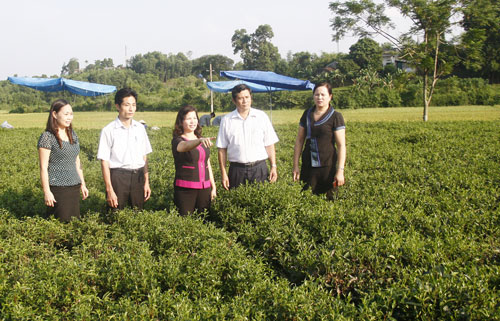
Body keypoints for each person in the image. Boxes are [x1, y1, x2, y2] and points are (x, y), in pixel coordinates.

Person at [97, 88, 152, 210]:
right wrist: (109, 189)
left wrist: (146, 181)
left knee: (138, 214)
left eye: (133, 105)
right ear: (118, 106)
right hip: (118, 177)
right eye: (127, 105)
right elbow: (104, 161)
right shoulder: (109, 130)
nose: (131, 109)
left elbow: (144, 156)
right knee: (115, 213)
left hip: (138, 176)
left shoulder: (140, 128)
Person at [216, 84, 279, 190]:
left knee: (260, 201)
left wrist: (273, 166)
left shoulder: (261, 116)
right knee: (236, 203)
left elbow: (269, 144)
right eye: (240, 98)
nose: (244, 101)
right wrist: (223, 173)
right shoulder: (227, 120)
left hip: (259, 168)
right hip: (237, 170)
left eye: (247, 97)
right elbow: (222, 149)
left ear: (251, 98)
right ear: (234, 100)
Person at [38, 99, 88, 222]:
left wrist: (83, 184)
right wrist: (47, 192)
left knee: (74, 223)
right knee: (61, 222)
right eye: (66, 114)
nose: (69, 117)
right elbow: (43, 167)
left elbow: (77, 161)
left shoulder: (72, 134)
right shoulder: (47, 137)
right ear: (54, 114)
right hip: (58, 188)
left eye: (71, 114)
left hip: (74, 186)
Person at [293, 82, 346, 197]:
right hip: (308, 166)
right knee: (306, 199)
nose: (320, 98)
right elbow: (299, 141)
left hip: (328, 167)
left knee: (328, 201)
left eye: (323, 94)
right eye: (317, 95)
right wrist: (296, 166)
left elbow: (341, 146)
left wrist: (340, 171)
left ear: (330, 96)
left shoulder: (336, 116)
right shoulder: (307, 114)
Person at [172, 105, 216, 215]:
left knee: (204, 219)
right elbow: (183, 146)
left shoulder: (201, 138)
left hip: (204, 187)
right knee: (185, 221)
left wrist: (213, 186)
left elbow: (207, 164)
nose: (192, 121)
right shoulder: (178, 140)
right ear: (181, 121)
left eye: (195, 118)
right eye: (188, 118)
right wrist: (199, 141)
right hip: (185, 189)